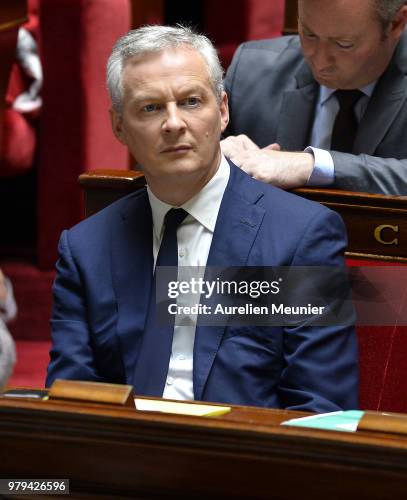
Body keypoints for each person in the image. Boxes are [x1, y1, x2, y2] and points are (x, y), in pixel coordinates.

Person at [46, 25, 358, 412]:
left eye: (191, 102)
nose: (174, 123)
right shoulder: (85, 249)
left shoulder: (299, 238)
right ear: (119, 126)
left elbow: (320, 408)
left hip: (245, 460)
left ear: (223, 110)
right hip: (121, 461)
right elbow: (70, 402)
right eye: (151, 107)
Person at [222, 0, 407, 195]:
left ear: (395, 24)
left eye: (343, 44)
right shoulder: (250, 73)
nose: (319, 60)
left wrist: (311, 165)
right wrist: (207, 161)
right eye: (308, 34)